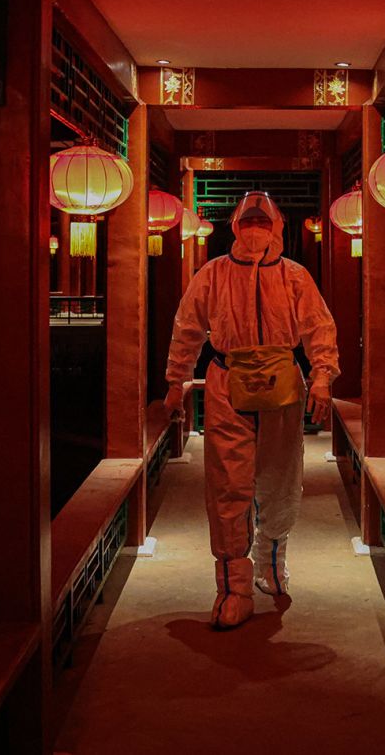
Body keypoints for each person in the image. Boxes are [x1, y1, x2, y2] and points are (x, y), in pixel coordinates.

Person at [163, 191, 340, 630]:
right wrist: (175, 380)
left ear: (276, 228)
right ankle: (232, 588)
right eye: (249, 221)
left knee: (280, 477)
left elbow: (319, 327)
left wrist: (322, 375)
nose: (256, 227)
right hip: (227, 383)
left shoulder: (295, 276)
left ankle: (272, 560)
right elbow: (187, 328)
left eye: (264, 221)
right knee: (228, 485)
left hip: (283, 383)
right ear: (235, 227)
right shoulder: (213, 275)